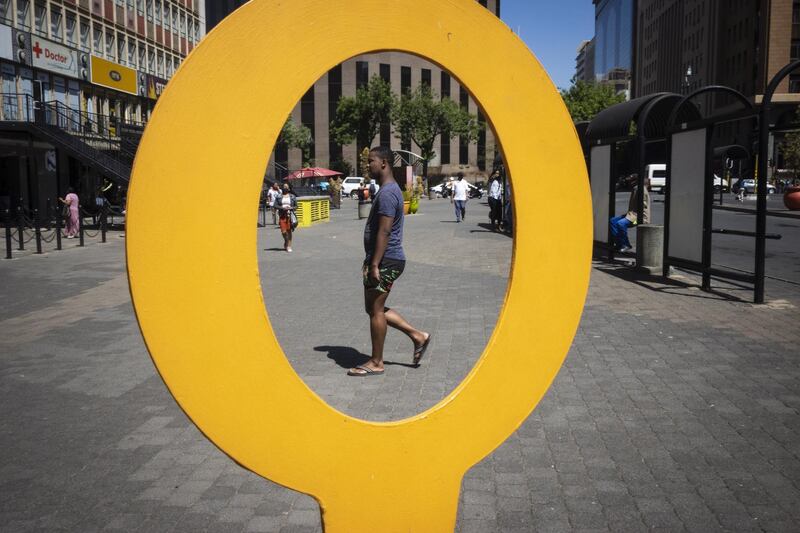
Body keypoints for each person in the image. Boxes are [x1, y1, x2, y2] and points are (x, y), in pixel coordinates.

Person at [348, 146, 431, 377]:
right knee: (374, 308)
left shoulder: (386, 193)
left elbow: (384, 232)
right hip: (385, 259)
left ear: (384, 163)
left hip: (386, 260)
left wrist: (374, 264)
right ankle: (418, 336)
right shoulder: (389, 190)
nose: (367, 165)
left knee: (375, 310)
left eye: (371, 161)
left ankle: (376, 362)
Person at [610, 176, 651, 253]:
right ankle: (620, 243)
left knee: (620, 223)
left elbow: (643, 208)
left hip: (638, 219)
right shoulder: (638, 188)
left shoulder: (639, 189)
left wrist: (635, 217)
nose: (629, 182)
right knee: (613, 220)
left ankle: (626, 244)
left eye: (631, 180)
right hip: (632, 215)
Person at [273, 183, 297, 252]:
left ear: (289, 188)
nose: (285, 188)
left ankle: (289, 246)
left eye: (286, 187)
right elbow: (275, 205)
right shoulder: (279, 196)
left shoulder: (292, 196)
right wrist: (282, 208)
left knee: (289, 231)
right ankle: (286, 241)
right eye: (284, 186)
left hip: (290, 215)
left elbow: (296, 206)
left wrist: (291, 207)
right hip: (282, 215)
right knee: (283, 231)